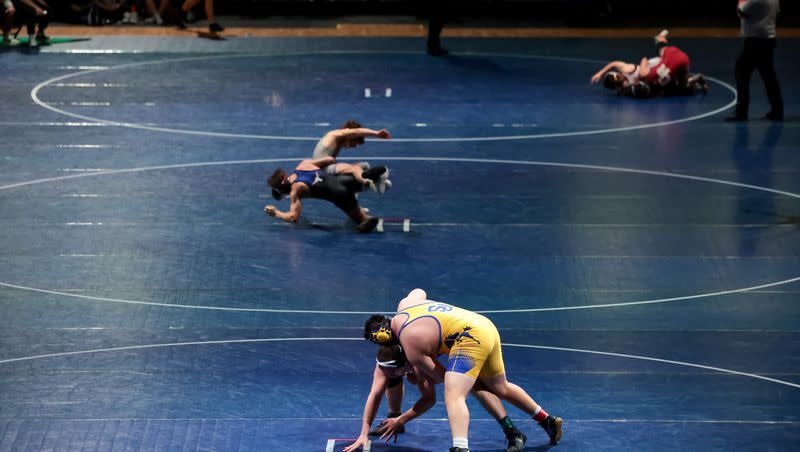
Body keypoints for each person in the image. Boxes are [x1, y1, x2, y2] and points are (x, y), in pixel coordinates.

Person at [363, 289, 563, 452]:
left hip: (469, 338)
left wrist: (418, 372)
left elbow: (440, 378)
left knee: (454, 393)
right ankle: (547, 421)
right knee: (501, 387)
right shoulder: (405, 305)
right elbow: (419, 291)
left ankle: (460, 447)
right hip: (484, 326)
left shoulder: (410, 344)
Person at [344, 344, 528, 452]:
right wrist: (363, 433)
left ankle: (508, 431)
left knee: (466, 387)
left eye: (390, 371)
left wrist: (401, 419)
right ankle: (394, 416)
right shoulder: (389, 359)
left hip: (465, 343)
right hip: (437, 345)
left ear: (405, 364)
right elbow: (374, 395)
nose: (384, 375)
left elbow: (430, 398)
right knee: (392, 381)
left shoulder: (418, 361)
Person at [264, 156, 389, 233]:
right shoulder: (303, 165)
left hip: (339, 195)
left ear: (282, 186)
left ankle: (365, 217)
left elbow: (293, 218)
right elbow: (330, 159)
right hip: (343, 180)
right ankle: (369, 180)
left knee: (361, 221)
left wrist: (276, 213)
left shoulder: (295, 190)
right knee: (357, 174)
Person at [591, 30, 708, 98]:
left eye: (617, 75)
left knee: (671, 84)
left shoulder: (626, 69)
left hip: (653, 67)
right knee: (674, 86)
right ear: (616, 85)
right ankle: (694, 82)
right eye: (617, 79)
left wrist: (599, 73)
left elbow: (614, 63)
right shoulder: (623, 88)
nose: (619, 77)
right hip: (657, 74)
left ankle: (692, 82)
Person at [726, 0, 783, 122]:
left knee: (741, 73)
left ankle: (741, 112)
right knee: (769, 77)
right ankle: (777, 110)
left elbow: (740, 12)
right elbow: (777, 14)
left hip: (754, 41)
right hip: (768, 39)